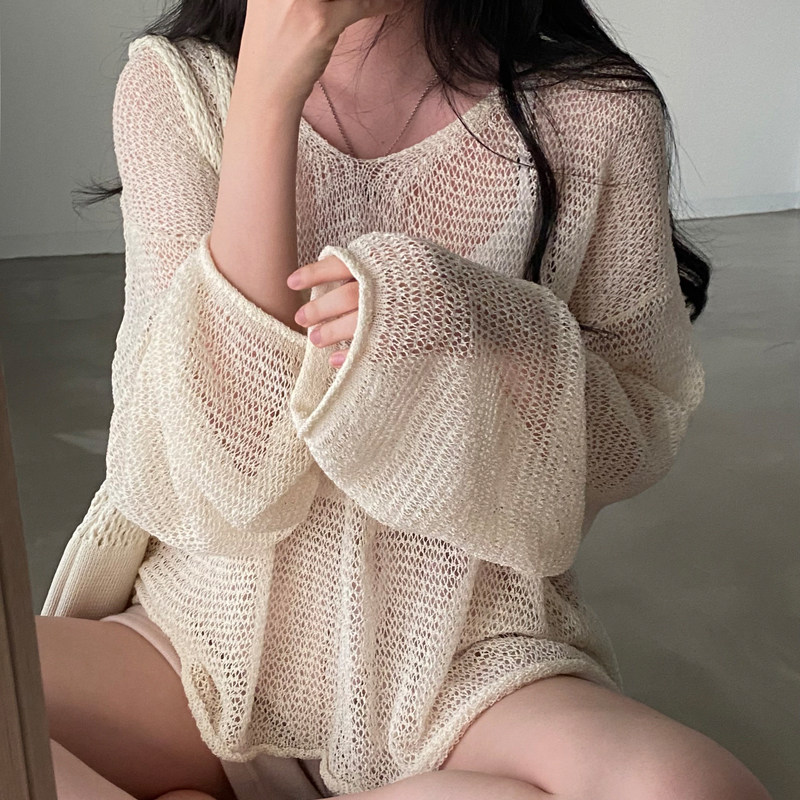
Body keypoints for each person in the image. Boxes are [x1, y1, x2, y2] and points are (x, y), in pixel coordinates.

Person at [37, 1, 772, 799]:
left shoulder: (597, 112)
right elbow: (219, 481)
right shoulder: (175, 89)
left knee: (696, 791)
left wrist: (466, 319)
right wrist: (265, 98)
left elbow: (631, 437)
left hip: (466, 669)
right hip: (195, 656)